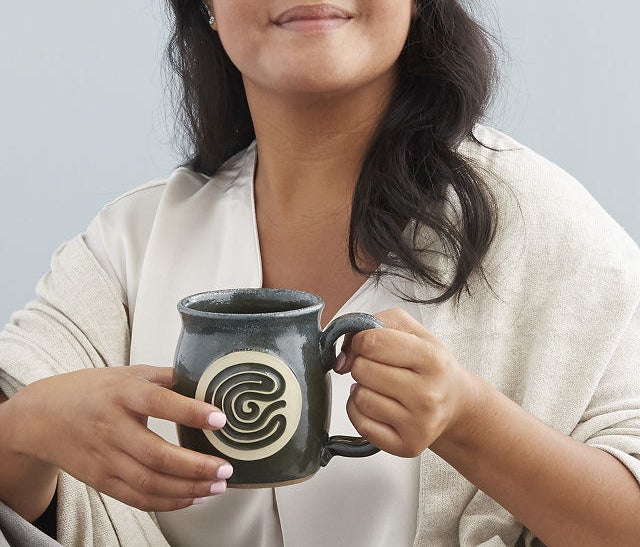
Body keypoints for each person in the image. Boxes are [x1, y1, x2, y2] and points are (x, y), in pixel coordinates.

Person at [1, 0, 639, 545]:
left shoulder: (542, 229)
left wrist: (469, 420)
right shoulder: (127, 246)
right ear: (204, 7)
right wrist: (32, 428)